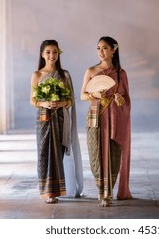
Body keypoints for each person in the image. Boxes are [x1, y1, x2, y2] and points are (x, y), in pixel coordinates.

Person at [80, 36, 132, 207]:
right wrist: (94, 94)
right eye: (98, 48)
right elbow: (82, 95)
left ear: (113, 50)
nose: (101, 52)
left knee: (113, 154)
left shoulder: (120, 73)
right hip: (96, 116)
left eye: (104, 48)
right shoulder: (91, 71)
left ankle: (108, 194)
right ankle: (101, 192)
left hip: (114, 117)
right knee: (96, 152)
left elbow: (125, 99)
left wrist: (119, 99)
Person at [30, 39, 84, 204]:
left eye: (54, 52)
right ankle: (47, 192)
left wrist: (60, 104)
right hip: (44, 120)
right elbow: (32, 100)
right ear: (42, 54)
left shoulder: (64, 75)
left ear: (58, 54)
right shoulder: (37, 75)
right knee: (44, 153)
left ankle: (57, 190)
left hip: (61, 119)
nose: (51, 55)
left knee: (58, 154)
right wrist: (44, 103)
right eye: (48, 52)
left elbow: (70, 101)